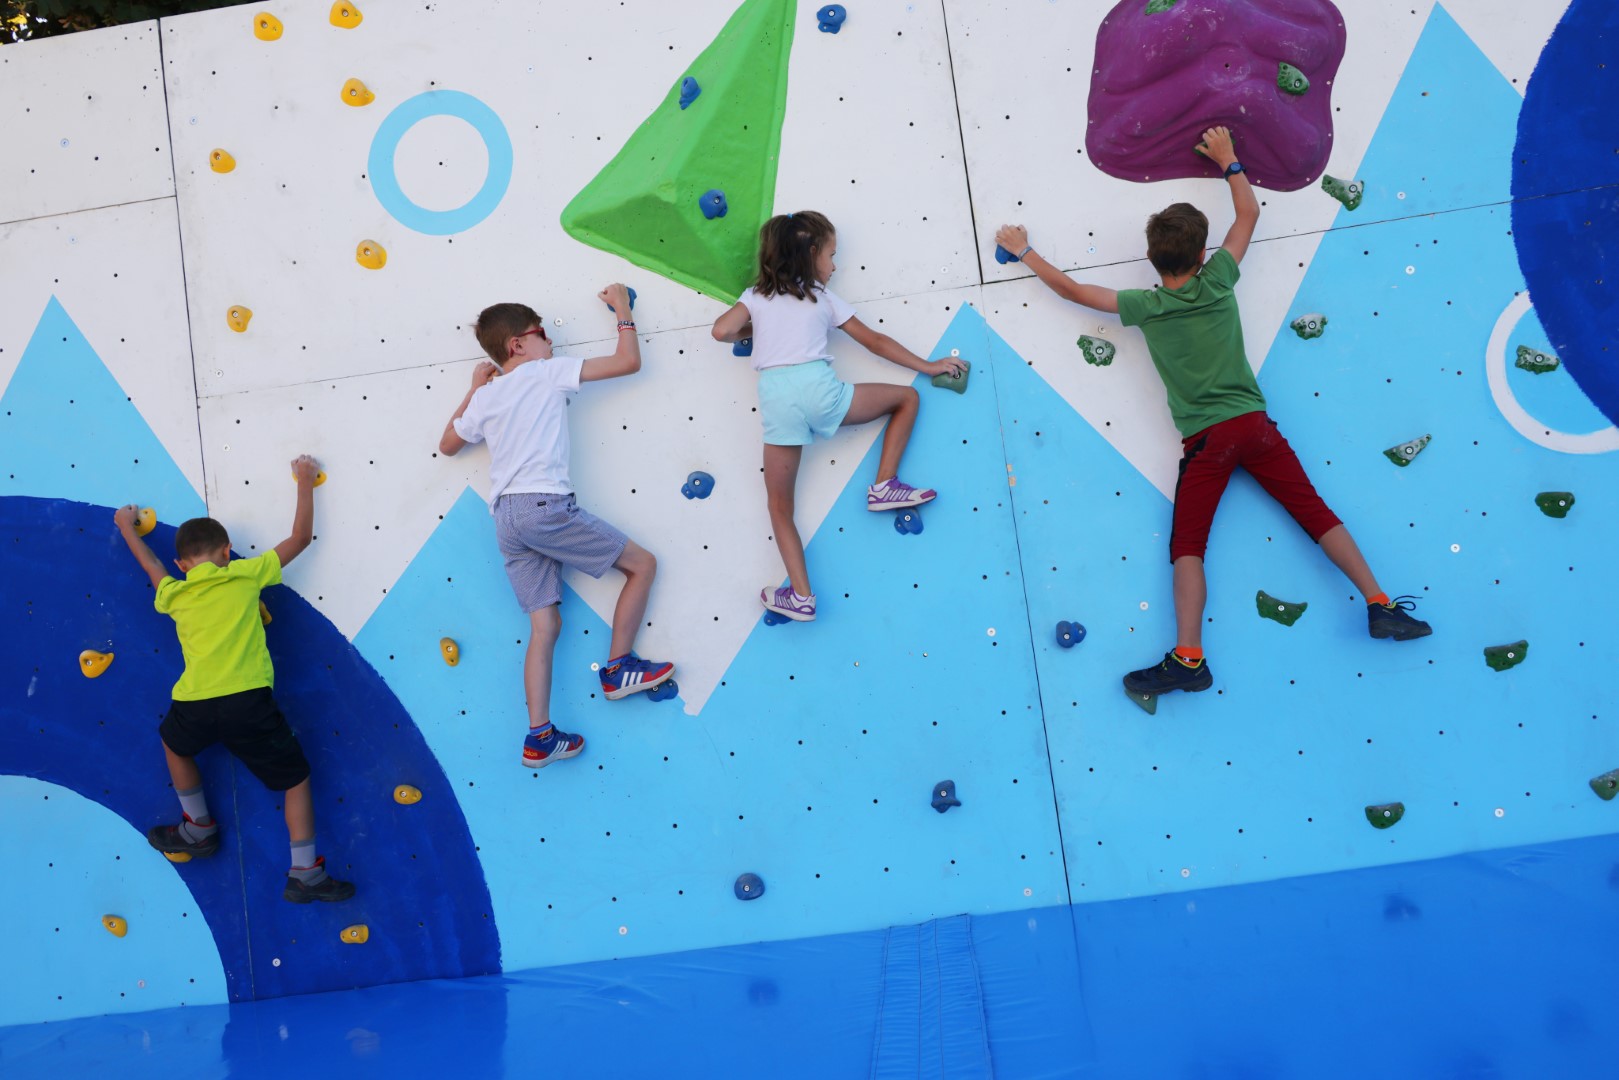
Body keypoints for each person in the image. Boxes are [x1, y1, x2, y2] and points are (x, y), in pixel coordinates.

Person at [994, 125, 1431, 699]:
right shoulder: (1219, 279)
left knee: (1188, 547)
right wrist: (1229, 160)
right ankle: (1379, 603)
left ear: (1151, 259)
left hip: (1208, 441)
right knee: (1316, 512)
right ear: (1202, 256)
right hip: (1256, 427)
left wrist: (1024, 249)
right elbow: (1248, 215)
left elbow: (1074, 292)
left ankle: (1189, 659)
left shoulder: (1146, 306)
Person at [439, 285, 673, 768]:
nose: (551, 342)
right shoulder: (545, 372)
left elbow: (448, 444)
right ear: (517, 345)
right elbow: (627, 362)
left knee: (544, 626)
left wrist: (474, 388)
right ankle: (618, 668)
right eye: (542, 334)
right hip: (542, 506)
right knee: (643, 565)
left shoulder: (487, 397)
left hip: (506, 520)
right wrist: (622, 308)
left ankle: (539, 736)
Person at [114, 455, 354, 902]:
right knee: (295, 780)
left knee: (174, 743)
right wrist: (304, 480)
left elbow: (151, 568)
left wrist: (127, 527)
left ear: (182, 564)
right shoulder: (245, 575)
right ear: (227, 553)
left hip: (195, 702)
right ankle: (304, 872)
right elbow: (300, 538)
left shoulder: (175, 592)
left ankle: (197, 827)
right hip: (248, 703)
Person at [711, 210, 965, 621]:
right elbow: (875, 341)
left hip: (778, 403)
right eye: (831, 255)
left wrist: (758, 327)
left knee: (779, 507)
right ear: (812, 253)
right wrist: (928, 365)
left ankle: (801, 596)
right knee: (906, 399)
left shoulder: (756, 296)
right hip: (820, 392)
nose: (834, 265)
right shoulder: (820, 297)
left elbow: (722, 331)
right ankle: (883, 485)